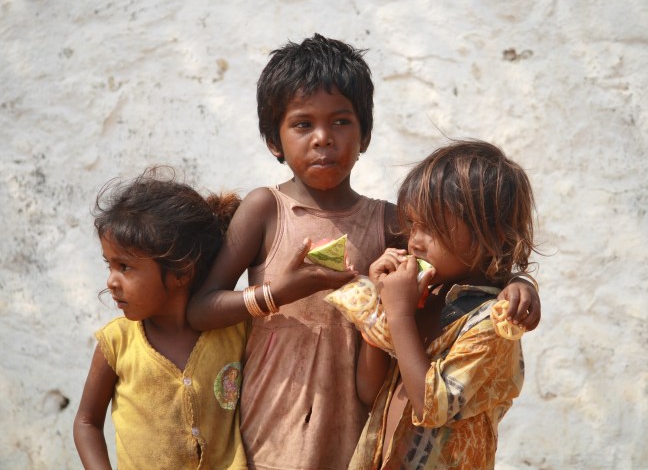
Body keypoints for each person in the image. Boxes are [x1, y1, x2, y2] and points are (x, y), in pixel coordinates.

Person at [187, 35, 540, 470]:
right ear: (273, 141)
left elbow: (461, 263)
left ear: (366, 133)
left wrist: (518, 285)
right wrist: (277, 293)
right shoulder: (265, 210)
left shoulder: (392, 222)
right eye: (302, 124)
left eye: (340, 122)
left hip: (358, 422)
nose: (322, 139)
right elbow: (201, 309)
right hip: (271, 407)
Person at [349, 140, 538, 469]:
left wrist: (399, 314)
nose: (415, 241)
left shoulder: (493, 325)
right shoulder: (424, 298)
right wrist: (382, 307)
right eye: (413, 225)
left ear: (490, 238)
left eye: (433, 228)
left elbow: (430, 406)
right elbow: (369, 390)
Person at [73, 168, 248, 470]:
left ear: (182, 271)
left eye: (125, 267)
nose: (111, 281)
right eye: (110, 265)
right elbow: (86, 422)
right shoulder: (116, 343)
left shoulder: (236, 332)